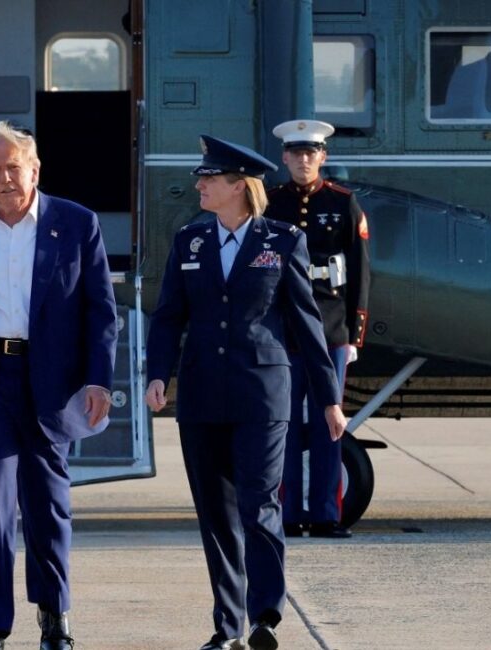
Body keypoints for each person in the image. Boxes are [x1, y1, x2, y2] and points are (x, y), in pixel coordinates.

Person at [144, 135, 346, 650]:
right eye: (201, 177)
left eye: (210, 178)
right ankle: (226, 626)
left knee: (259, 506)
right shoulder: (190, 241)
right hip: (202, 396)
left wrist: (329, 399)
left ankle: (265, 618)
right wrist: (156, 375)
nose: (200, 184)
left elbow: (306, 324)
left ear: (239, 185)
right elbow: (169, 316)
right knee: (215, 513)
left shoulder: (282, 242)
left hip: (262, 394)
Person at [0, 121, 117, 650]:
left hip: (52, 387)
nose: (6, 178)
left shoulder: (77, 224)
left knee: (49, 507)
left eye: (15, 167)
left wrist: (100, 378)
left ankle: (55, 617)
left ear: (34, 169)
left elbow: (101, 311)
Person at [266, 120, 370, 539]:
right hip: (285, 331)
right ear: (285, 157)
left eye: (312, 153)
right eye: (296, 153)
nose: (304, 160)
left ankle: (327, 514)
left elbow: (361, 271)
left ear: (322, 157)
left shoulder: (344, 203)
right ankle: (290, 514)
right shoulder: (271, 204)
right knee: (285, 424)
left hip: (330, 329)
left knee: (331, 424)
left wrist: (354, 335)